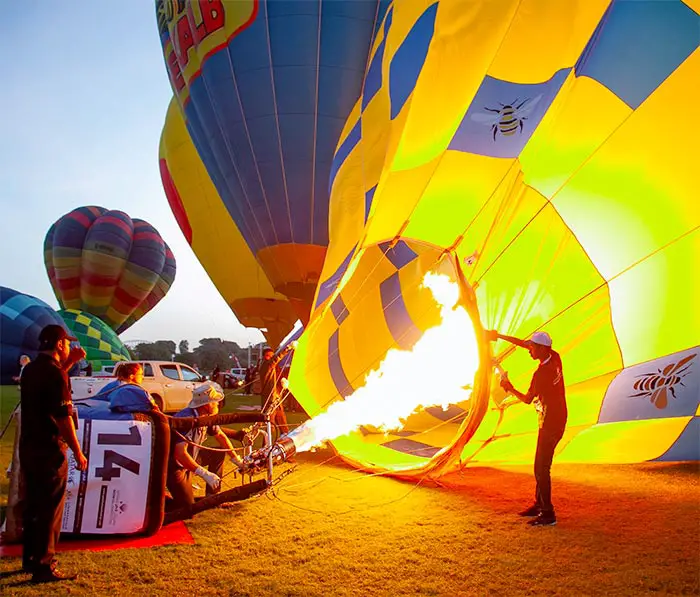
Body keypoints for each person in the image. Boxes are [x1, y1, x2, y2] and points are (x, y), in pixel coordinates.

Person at [19, 325, 88, 582]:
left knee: (34, 506)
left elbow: (52, 384)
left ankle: (31, 559)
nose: (69, 347)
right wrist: (78, 452)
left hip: (28, 447)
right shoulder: (54, 374)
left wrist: (70, 362)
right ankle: (44, 566)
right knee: (49, 509)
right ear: (60, 344)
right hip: (49, 449)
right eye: (67, 344)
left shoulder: (31, 369)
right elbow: (63, 417)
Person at [486, 330, 567, 527]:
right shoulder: (554, 356)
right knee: (539, 466)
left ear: (542, 348)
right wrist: (499, 336)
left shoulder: (541, 374)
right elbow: (523, 344)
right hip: (555, 418)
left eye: (533, 347)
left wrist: (509, 387)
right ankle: (540, 505)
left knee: (541, 468)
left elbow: (527, 400)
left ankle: (548, 514)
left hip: (551, 422)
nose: (529, 349)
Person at [166, 382, 244, 511]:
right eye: (215, 401)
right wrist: (204, 473)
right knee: (187, 508)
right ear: (207, 404)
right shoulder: (187, 419)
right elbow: (179, 453)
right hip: (176, 466)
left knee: (218, 453)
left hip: (192, 457)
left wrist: (236, 460)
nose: (218, 404)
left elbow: (221, 436)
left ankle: (213, 497)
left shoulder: (207, 417)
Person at [258, 342, 298, 436]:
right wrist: (287, 348)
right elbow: (275, 359)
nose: (272, 358)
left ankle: (284, 444)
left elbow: (279, 376)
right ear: (266, 357)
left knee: (283, 425)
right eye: (270, 356)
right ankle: (266, 447)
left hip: (277, 400)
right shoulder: (265, 366)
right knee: (270, 427)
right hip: (270, 401)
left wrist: (283, 381)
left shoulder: (274, 369)